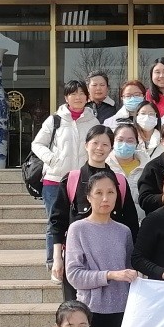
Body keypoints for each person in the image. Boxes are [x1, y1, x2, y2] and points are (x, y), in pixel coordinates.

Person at [50, 125, 140, 300]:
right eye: (95, 143)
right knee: (76, 309)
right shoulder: (72, 179)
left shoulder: (120, 182)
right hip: (79, 261)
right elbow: (57, 222)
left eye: (105, 144)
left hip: (114, 262)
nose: (100, 148)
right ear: (86, 145)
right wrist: (57, 258)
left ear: (111, 148)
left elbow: (131, 224)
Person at [63, 171, 139, 327]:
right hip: (91, 311)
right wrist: (110, 275)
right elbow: (74, 275)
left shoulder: (124, 231)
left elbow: (130, 270)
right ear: (88, 197)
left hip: (123, 310)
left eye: (110, 192)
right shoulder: (78, 229)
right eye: (98, 193)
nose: (105, 198)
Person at [32, 80, 100, 267]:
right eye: (73, 93)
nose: (78, 97)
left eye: (81, 93)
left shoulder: (93, 121)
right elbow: (37, 144)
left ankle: (79, 262)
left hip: (83, 180)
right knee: (55, 222)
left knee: (81, 222)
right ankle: (53, 262)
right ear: (66, 97)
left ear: (87, 97)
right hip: (55, 180)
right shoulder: (55, 120)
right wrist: (53, 159)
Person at [107, 122, 147, 221]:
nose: (124, 144)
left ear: (136, 143)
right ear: (113, 142)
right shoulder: (105, 167)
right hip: (111, 222)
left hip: (140, 222)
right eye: (120, 140)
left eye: (130, 141)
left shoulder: (147, 167)